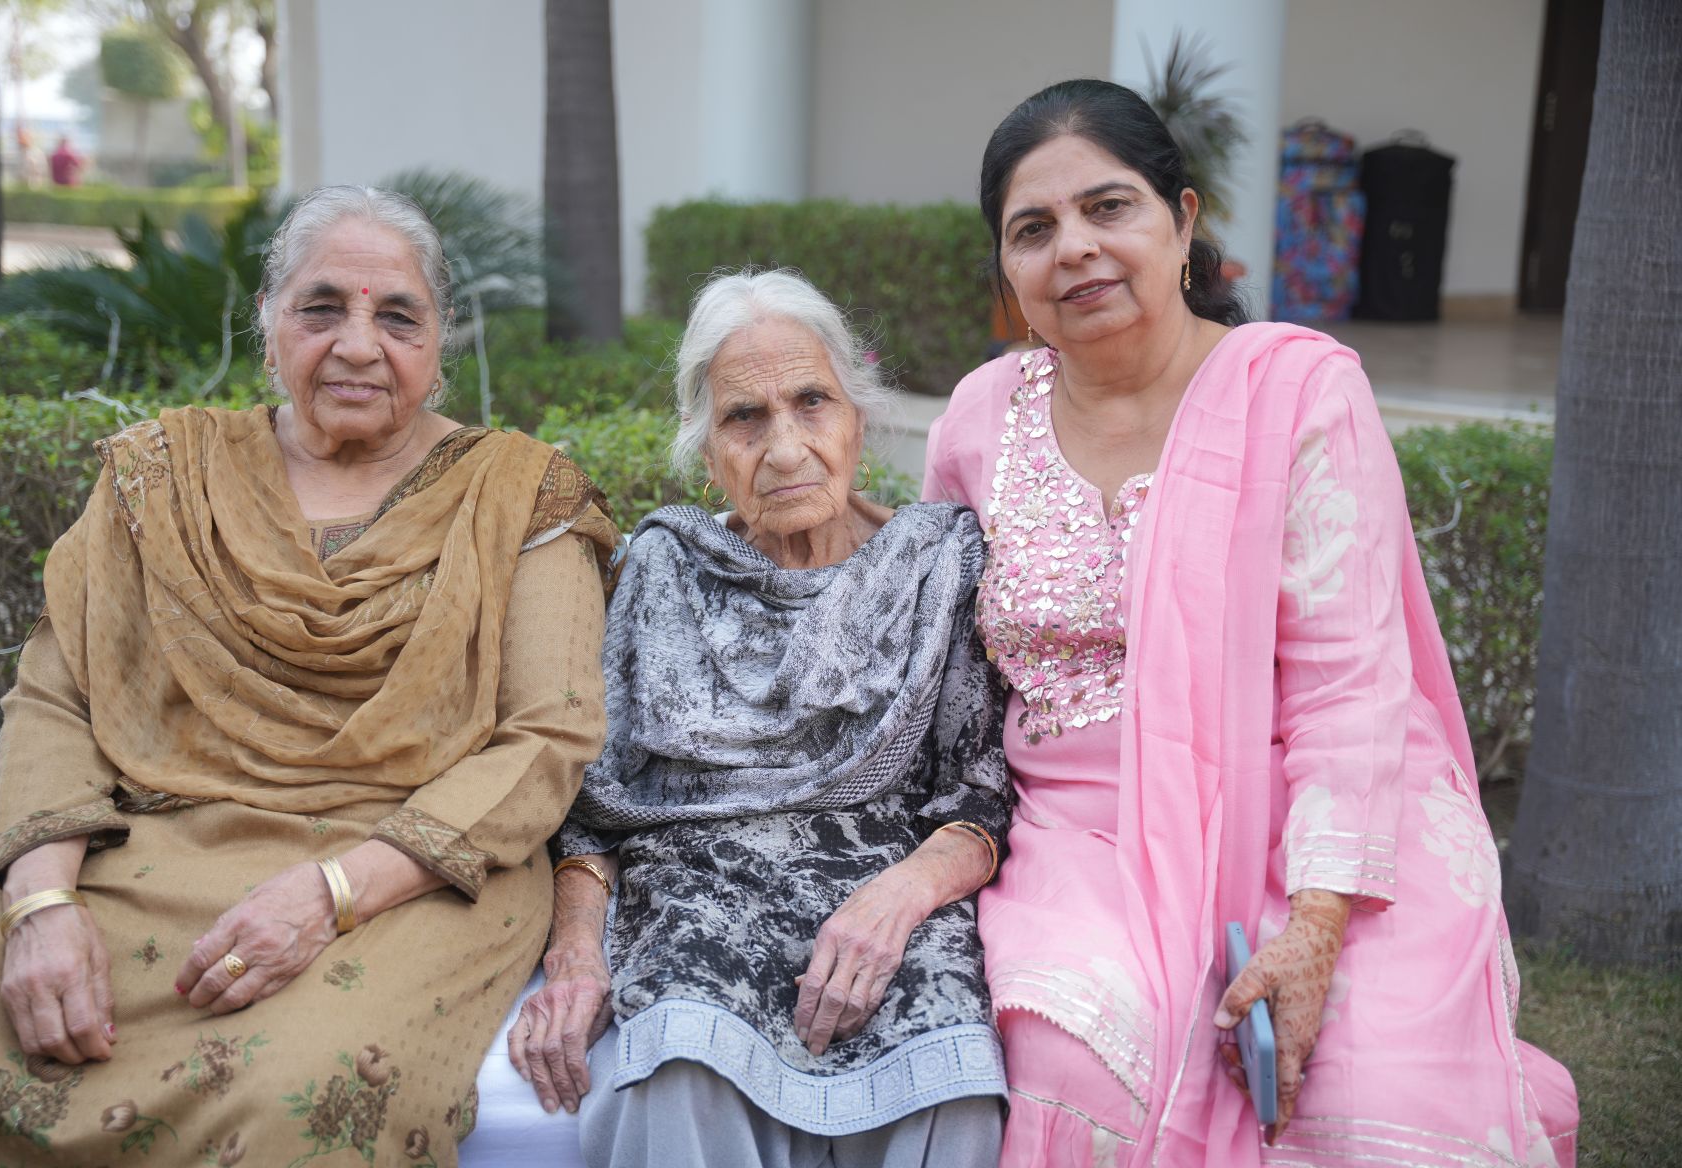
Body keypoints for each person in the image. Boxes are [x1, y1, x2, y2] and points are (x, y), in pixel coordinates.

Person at [924, 80, 1579, 1167]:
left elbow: (1347, 678)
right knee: (1090, 1055)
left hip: (1311, 823)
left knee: (1369, 1087)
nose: (1074, 247)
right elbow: (933, 638)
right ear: (1009, 271)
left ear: (1183, 223)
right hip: (1078, 835)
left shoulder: (1297, 392)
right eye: (1033, 230)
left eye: (1108, 207)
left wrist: (1314, 929)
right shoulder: (978, 419)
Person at [0, 185, 619, 1165]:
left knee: (308, 1090)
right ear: (267, 320)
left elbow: (547, 737)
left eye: (397, 317)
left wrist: (328, 893)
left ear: (440, 341)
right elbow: (57, 695)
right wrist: (42, 905)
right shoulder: (165, 477)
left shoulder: (519, 494)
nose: (357, 346)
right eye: (321, 308)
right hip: (154, 845)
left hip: (409, 869)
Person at [510, 269, 1011, 1168]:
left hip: (890, 895)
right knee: (679, 1068)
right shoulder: (668, 566)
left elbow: (977, 803)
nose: (785, 450)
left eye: (812, 403)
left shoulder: (935, 565)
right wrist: (576, 952)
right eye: (744, 418)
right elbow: (595, 808)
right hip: (695, 894)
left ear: (857, 420)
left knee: (952, 1087)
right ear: (708, 452)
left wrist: (896, 901)